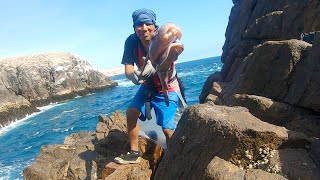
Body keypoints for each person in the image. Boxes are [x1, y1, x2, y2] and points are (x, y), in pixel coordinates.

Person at [114, 8, 185, 165]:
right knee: (131, 112)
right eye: (139, 25)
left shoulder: (162, 38)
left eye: (148, 24)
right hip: (146, 86)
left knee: (167, 128)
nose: (144, 28)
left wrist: (173, 52)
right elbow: (128, 68)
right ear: (134, 27)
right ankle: (133, 153)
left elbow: (176, 49)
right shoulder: (131, 41)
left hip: (167, 87)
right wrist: (135, 77)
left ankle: (176, 160)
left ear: (154, 25)